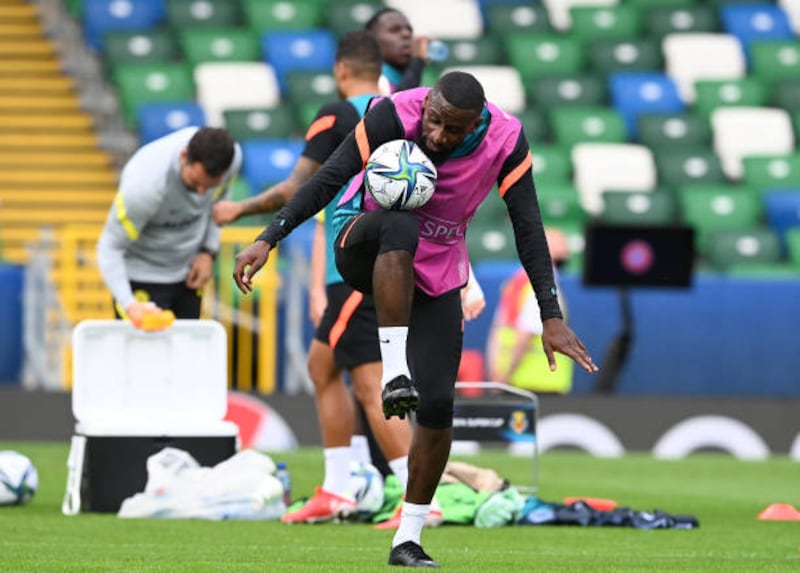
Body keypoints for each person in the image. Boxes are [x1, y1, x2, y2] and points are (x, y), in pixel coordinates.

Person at [233, 71, 598, 567]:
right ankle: (393, 369)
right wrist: (268, 237)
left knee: (439, 409)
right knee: (401, 222)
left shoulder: (506, 139)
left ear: (478, 124)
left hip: (438, 268)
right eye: (434, 121)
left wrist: (550, 314)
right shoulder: (392, 113)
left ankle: (408, 538)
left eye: (454, 129)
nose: (437, 136)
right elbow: (328, 178)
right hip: (362, 238)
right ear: (425, 103)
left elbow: (528, 225)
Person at [214, 30, 416, 523]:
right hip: (389, 258)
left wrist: (239, 208)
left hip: (355, 264)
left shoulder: (339, 115)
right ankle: (340, 486)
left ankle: (416, 497)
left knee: (371, 384)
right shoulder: (404, 113)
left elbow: (296, 186)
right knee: (323, 365)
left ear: (342, 70)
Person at [97, 127, 241, 326]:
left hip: (188, 277)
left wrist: (208, 251)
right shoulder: (143, 188)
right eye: (195, 183)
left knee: (186, 356)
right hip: (141, 279)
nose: (201, 194)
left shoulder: (232, 159)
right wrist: (130, 304)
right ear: (184, 156)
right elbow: (109, 247)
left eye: (209, 186)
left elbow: (220, 205)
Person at [486, 227, 575, 394]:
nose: (566, 248)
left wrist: (497, 376)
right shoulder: (540, 285)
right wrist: (505, 377)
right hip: (538, 384)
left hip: (513, 382)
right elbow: (526, 334)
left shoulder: (516, 282)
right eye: (560, 242)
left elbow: (496, 332)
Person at [365, 7, 432, 95]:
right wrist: (417, 62)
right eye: (394, 30)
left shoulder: (421, 78)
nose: (406, 34)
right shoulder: (369, 81)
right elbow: (397, 106)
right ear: (372, 40)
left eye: (409, 30)